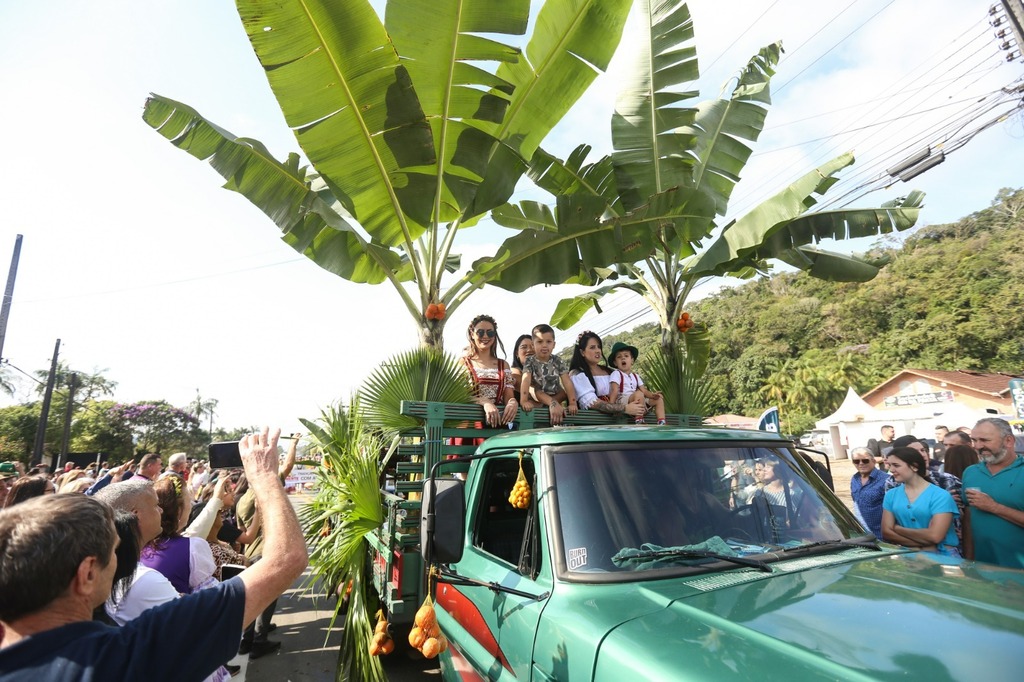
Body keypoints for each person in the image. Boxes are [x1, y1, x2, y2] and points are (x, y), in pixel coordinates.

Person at [0, 427, 307, 681]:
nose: (122, 561)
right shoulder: (125, 656)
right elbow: (285, 559)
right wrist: (266, 478)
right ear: (87, 574)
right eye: (113, 552)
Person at [234, 432, 300, 658]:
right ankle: (259, 641)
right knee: (268, 598)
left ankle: (247, 640)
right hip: (267, 552)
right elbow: (288, 465)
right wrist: (293, 443)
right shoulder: (265, 492)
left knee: (253, 597)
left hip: (249, 554)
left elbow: (241, 533)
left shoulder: (241, 500)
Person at [962, 417, 1024, 568]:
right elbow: (969, 518)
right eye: (974, 440)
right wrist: (969, 559)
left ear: (1008, 441)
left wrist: (994, 507)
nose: (977, 446)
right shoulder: (971, 472)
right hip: (984, 569)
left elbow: (990, 507)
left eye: (984, 440)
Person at [881, 447, 960, 557]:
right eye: (890, 465)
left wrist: (897, 528)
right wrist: (920, 546)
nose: (891, 470)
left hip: (943, 557)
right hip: (910, 556)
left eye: (896, 465)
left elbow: (935, 536)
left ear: (914, 466)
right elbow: (886, 532)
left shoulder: (940, 496)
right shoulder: (891, 495)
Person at [567, 331, 645, 418]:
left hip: (623, 420)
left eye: (599, 347)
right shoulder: (577, 374)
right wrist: (624, 408)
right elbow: (593, 403)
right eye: (592, 347)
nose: (597, 351)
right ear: (582, 352)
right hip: (596, 423)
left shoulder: (610, 371)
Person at [461, 314, 517, 428]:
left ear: (495, 335)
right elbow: (459, 397)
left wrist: (513, 403)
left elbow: (508, 396)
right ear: (472, 334)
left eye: (490, 332)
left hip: (497, 426)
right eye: (480, 332)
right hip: (469, 426)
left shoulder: (503, 365)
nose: (485, 336)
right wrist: (485, 402)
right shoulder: (464, 363)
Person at [520, 324, 577, 426]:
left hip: (556, 395)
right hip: (538, 396)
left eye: (548, 342)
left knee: (562, 392)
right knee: (535, 390)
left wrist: (572, 402)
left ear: (554, 344)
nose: (544, 345)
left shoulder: (557, 360)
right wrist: (523, 401)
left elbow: (567, 381)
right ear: (533, 345)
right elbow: (526, 380)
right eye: (540, 342)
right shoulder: (530, 361)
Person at [605, 341, 666, 425]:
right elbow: (614, 390)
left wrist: (653, 395)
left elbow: (644, 391)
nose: (623, 358)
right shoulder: (616, 374)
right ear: (615, 363)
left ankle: (661, 421)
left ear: (632, 360)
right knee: (638, 394)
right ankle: (639, 420)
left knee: (659, 398)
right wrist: (611, 407)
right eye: (619, 357)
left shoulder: (635, 376)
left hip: (638, 401)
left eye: (626, 356)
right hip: (623, 400)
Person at [849, 447, 886, 539]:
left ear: (873, 461)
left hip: (882, 536)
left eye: (865, 461)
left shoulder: (886, 480)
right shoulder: (854, 479)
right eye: (856, 461)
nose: (861, 464)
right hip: (862, 535)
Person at [509, 334, 535, 404]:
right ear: (517, 353)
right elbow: (529, 392)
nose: (529, 350)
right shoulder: (513, 372)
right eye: (524, 347)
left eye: (533, 346)